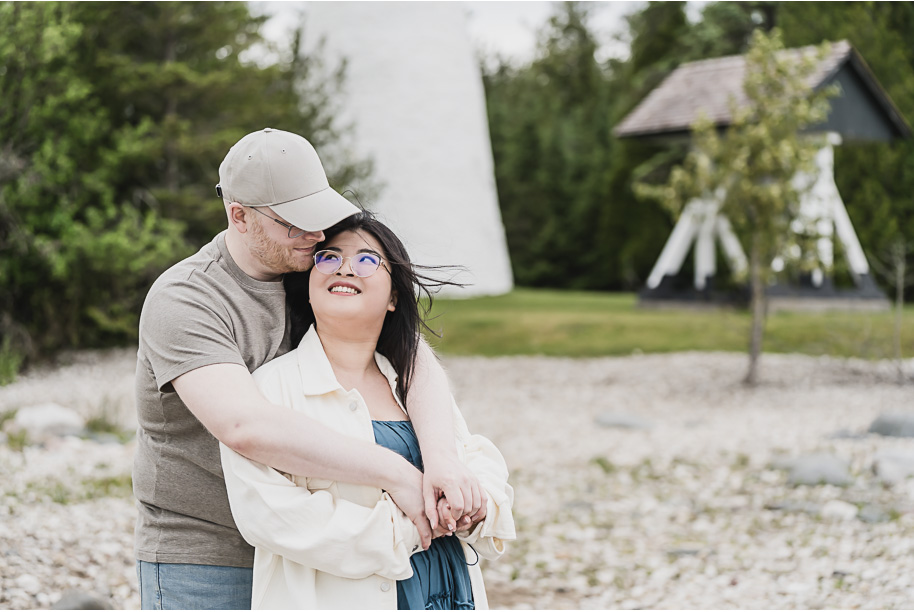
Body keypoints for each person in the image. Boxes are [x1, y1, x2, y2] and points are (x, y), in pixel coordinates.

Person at [133, 128, 484, 610]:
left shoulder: (308, 272)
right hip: (209, 555)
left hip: (317, 549)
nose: (316, 234)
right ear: (239, 216)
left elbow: (411, 352)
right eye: (294, 222)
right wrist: (397, 474)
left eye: (317, 213)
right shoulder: (187, 299)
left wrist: (442, 457)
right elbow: (245, 426)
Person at [220, 212, 515, 609]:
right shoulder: (271, 387)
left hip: (448, 588)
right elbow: (267, 515)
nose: (344, 267)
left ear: (393, 297)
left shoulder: (416, 383)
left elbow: (472, 458)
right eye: (327, 257)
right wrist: (410, 529)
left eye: (366, 259)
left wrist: (472, 506)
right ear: (308, 285)